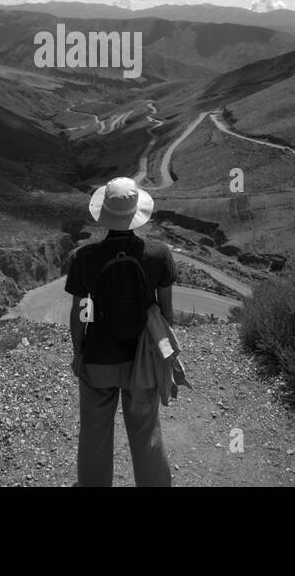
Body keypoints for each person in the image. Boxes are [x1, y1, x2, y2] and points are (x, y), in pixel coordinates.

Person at [66, 176, 176, 487]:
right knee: (146, 435)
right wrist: (163, 357)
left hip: (98, 361)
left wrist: (78, 353)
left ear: (104, 215)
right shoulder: (159, 254)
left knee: (94, 435)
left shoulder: (84, 258)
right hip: (143, 360)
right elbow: (166, 314)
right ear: (137, 215)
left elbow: (79, 315)